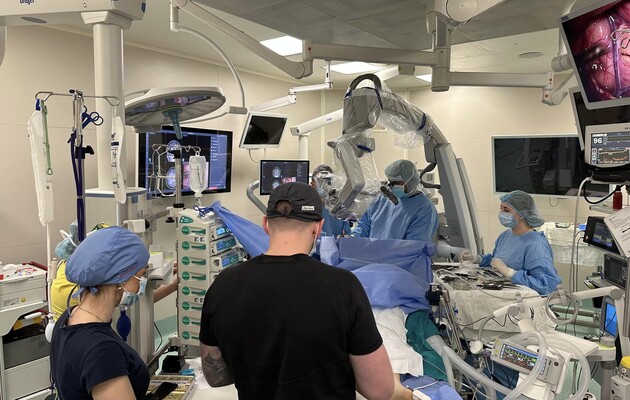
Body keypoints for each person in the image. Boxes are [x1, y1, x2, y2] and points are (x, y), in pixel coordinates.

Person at [199, 182, 412, 399]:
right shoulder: (343, 286)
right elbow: (380, 391)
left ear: (265, 224)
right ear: (318, 227)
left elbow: (216, 378)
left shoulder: (222, 285)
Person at [49, 226, 151, 399]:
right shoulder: (101, 350)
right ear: (121, 278)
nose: (142, 282)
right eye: (141, 274)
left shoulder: (69, 317)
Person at [460, 190, 561, 295]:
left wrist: (510, 273)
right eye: (501, 208)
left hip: (524, 301)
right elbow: (497, 261)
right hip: (504, 294)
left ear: (522, 214)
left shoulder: (536, 244)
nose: (501, 213)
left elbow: (546, 285)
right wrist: (476, 258)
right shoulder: (505, 236)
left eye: (506, 210)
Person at [351, 159, 438, 241]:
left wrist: (381, 250)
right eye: (390, 182)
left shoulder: (424, 208)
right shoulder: (381, 200)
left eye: (396, 182)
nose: (391, 186)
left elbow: (412, 244)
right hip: (373, 251)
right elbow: (364, 226)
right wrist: (352, 238)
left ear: (411, 181)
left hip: (398, 253)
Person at [310, 163, 352, 237]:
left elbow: (346, 234)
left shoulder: (338, 208)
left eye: (328, 181)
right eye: (321, 181)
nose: (325, 185)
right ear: (312, 184)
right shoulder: (307, 207)